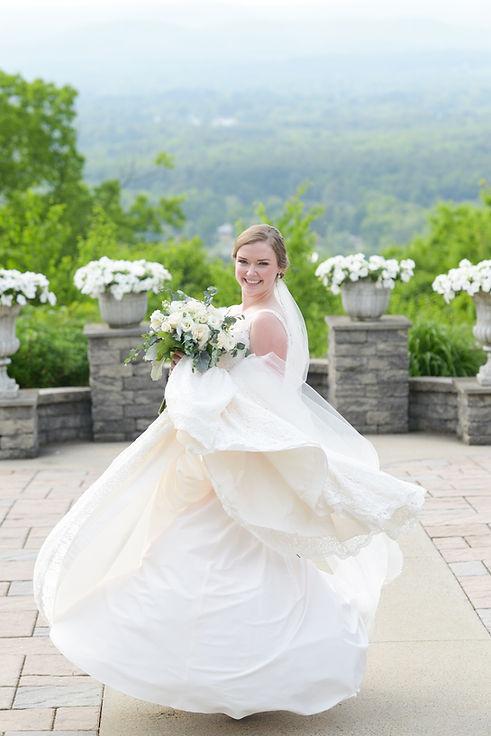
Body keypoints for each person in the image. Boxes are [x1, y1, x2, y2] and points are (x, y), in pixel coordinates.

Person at [34, 224, 426, 719]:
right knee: (188, 548)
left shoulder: (266, 322)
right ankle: (211, 672)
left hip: (242, 459)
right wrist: (187, 364)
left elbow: (270, 401)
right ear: (234, 262)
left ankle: (250, 674)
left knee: (227, 554)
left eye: (263, 263)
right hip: (219, 455)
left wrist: (203, 381)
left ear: (281, 267)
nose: (251, 271)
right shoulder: (233, 314)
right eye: (244, 261)